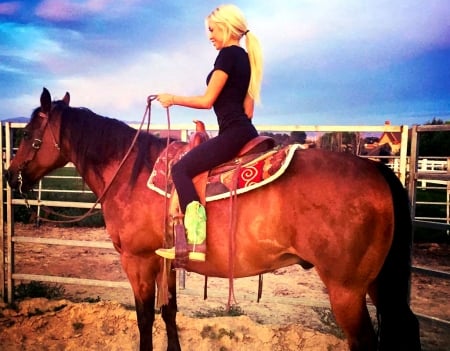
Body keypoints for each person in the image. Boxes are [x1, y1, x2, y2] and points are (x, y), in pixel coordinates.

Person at [155, 4, 263, 262]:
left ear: (226, 27)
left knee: (179, 169)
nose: (210, 36)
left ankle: (195, 240)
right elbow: (247, 111)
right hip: (242, 131)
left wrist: (172, 98)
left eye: (213, 30)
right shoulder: (247, 59)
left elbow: (207, 100)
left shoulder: (227, 55)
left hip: (234, 133)